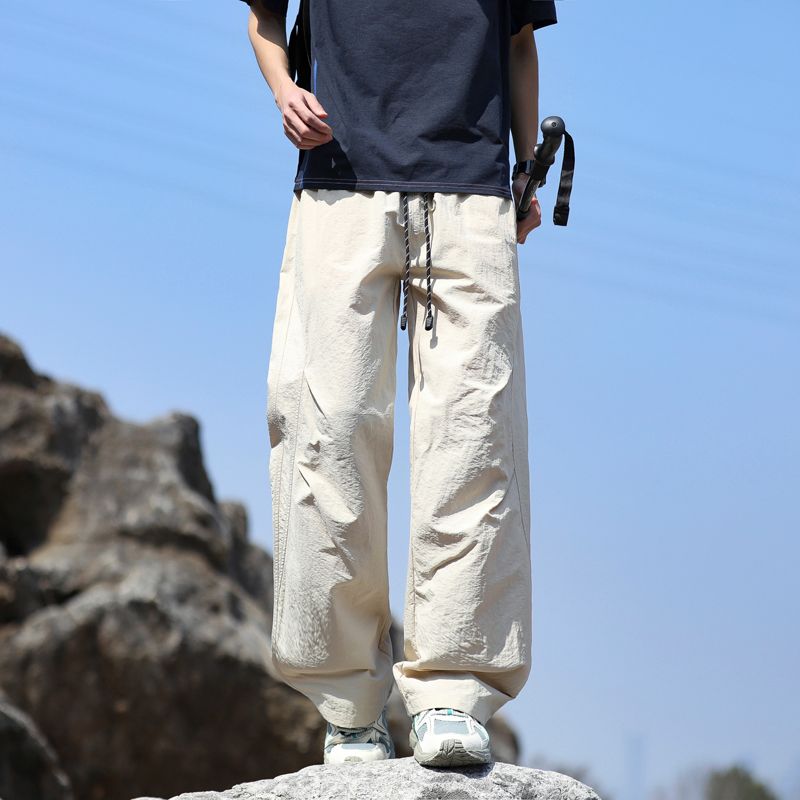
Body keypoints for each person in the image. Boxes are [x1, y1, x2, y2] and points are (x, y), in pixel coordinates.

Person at [239, 0, 557, 768]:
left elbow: (518, 44)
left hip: (472, 190)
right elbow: (264, 16)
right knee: (328, 431)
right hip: (338, 182)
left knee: (472, 439)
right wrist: (283, 91)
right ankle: (349, 708)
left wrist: (525, 171)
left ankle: (454, 691)